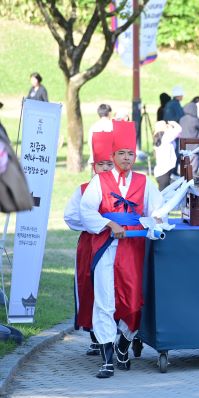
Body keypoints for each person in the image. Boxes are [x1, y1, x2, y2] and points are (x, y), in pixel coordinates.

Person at [80, 121, 163, 378]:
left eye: (130, 153)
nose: (126, 158)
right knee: (105, 300)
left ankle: (124, 344)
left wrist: (156, 220)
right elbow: (86, 210)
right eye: (122, 153)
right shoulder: (100, 181)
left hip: (134, 248)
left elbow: (157, 210)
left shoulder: (144, 182)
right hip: (106, 246)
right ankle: (107, 359)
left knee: (135, 302)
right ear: (113, 155)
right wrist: (109, 223)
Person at [64, 131, 114, 357]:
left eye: (109, 164)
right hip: (90, 243)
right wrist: (96, 223)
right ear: (94, 167)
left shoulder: (122, 189)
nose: (105, 169)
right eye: (101, 164)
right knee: (89, 286)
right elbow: (71, 216)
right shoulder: (84, 189)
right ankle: (94, 334)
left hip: (118, 243)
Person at [153, 121, 182, 190]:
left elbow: (178, 135)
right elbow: (179, 129)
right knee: (164, 193)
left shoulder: (158, 137)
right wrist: (172, 122)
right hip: (165, 170)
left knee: (164, 191)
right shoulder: (166, 137)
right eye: (166, 125)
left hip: (161, 170)